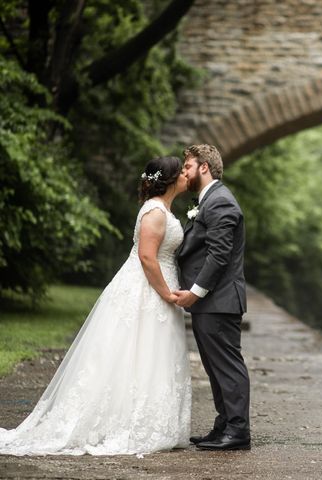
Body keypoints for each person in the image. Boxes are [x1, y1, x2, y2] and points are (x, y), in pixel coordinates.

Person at [0, 156, 191, 456]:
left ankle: (150, 420)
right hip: (147, 289)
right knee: (133, 351)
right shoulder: (155, 212)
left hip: (156, 286)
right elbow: (146, 257)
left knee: (148, 353)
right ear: (169, 180)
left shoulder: (163, 209)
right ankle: (125, 423)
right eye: (181, 172)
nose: (185, 175)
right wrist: (167, 293)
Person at [173, 144, 251, 451]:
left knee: (228, 366)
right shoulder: (210, 201)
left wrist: (194, 293)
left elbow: (219, 256)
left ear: (204, 166)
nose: (185, 173)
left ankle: (238, 431)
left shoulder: (220, 203)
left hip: (219, 301)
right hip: (212, 302)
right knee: (215, 366)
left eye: (188, 167)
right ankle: (223, 426)